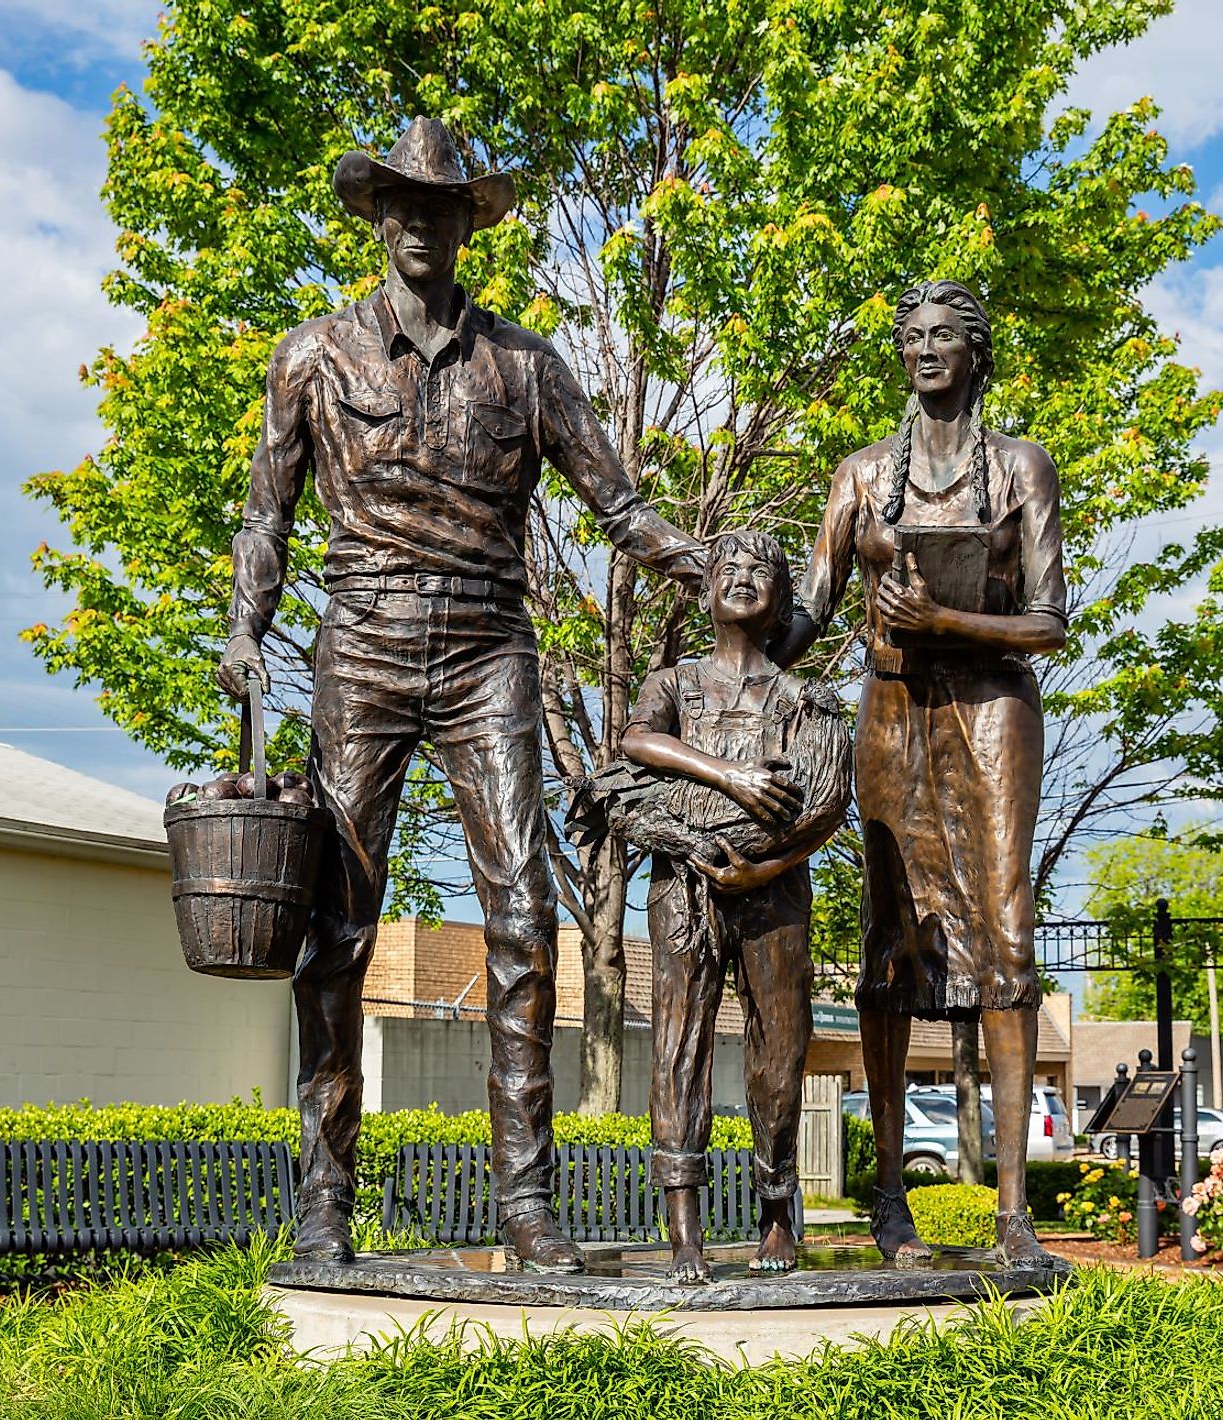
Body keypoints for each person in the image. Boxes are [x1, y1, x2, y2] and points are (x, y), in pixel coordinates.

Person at [216, 117, 706, 1271]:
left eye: (440, 207)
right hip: (364, 642)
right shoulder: (312, 355)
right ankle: (323, 1204)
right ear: (379, 219)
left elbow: (618, 506)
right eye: (400, 205)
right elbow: (264, 513)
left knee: (526, 918)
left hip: (490, 648)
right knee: (337, 925)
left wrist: (706, 563)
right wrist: (245, 629)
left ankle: (527, 1207)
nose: (419, 223)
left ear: (464, 223)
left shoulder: (526, 366)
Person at [773, 280, 1067, 1265]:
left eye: (946, 335)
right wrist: (731, 616)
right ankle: (889, 1198)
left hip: (991, 707)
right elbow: (809, 608)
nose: (926, 349)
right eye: (912, 337)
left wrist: (947, 620)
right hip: (891, 708)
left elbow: (1050, 621)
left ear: (977, 353)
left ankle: (1013, 1213)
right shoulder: (860, 475)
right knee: (889, 935)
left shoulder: (1019, 467)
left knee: (1006, 925)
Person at [610, 531, 847, 1282]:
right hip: (684, 883)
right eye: (728, 569)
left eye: (761, 572)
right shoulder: (674, 683)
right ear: (706, 590)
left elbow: (826, 805)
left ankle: (778, 1210)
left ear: (781, 599)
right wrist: (733, 777)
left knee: (782, 1044)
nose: (743, 579)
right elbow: (634, 741)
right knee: (680, 1042)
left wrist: (767, 866)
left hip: (772, 890)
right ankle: (684, 1228)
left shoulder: (799, 695)